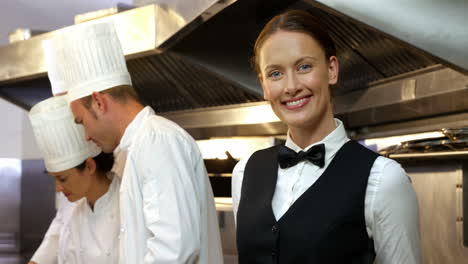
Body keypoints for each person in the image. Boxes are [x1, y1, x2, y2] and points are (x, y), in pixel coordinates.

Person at [232, 10, 422, 264]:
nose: (291, 86)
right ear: (264, 85)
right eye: (275, 73)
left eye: (304, 67)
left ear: (332, 70)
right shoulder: (244, 172)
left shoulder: (383, 179)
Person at [59, 22, 222, 263]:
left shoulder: (157, 140)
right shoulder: (135, 148)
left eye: (81, 121)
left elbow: (174, 249)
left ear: (98, 102)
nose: (85, 136)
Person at [28, 95, 120, 264]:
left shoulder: (125, 203)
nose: (58, 189)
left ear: (90, 167)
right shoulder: (75, 205)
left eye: (62, 179)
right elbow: (56, 238)